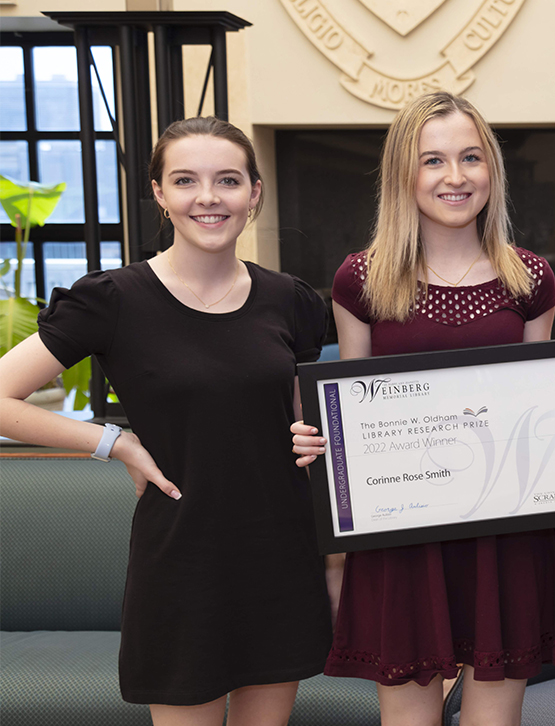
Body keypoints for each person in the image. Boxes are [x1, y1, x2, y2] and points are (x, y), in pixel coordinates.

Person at [288, 91, 555, 726]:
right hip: (402, 533)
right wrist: (322, 443)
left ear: (493, 168)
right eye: (433, 161)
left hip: (505, 533)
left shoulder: (530, 278)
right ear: (404, 174)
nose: (455, 177)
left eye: (470, 157)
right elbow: (351, 401)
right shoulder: (362, 279)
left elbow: (535, 406)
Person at [0, 117, 332, 724]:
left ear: (254, 192)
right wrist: (116, 443)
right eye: (186, 180)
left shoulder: (292, 299)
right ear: (159, 193)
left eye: (227, 180)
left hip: (280, 553)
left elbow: (300, 418)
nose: (208, 197)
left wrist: (316, 438)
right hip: (182, 558)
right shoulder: (112, 299)